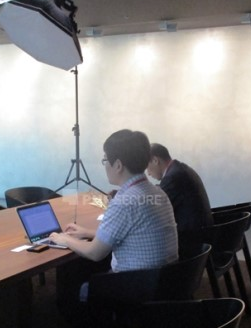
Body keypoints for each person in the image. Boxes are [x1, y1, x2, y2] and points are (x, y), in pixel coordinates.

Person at [50, 129, 178, 302]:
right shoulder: (157, 192)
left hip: (136, 288)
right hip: (166, 282)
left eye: (105, 160)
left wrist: (65, 239)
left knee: (74, 281)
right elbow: (132, 232)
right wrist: (87, 233)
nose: (104, 165)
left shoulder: (124, 201)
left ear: (118, 165)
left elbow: (94, 253)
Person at [146, 143, 212, 254]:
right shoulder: (180, 169)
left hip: (191, 242)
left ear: (155, 160)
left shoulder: (172, 178)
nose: (147, 173)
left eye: (146, 167)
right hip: (202, 235)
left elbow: (152, 209)